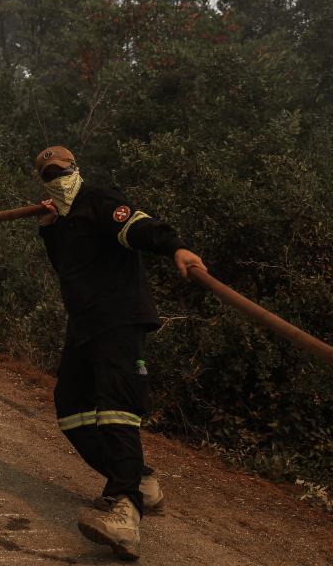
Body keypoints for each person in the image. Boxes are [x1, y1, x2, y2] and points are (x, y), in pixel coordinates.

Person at [34, 145, 205, 561]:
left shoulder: (99, 199)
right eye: (49, 175)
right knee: (70, 409)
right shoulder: (66, 219)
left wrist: (175, 248)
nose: (58, 178)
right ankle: (141, 482)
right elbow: (68, 270)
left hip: (119, 320)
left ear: (77, 168)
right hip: (85, 326)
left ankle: (125, 513)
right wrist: (49, 228)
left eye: (63, 170)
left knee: (116, 409)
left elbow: (138, 226)